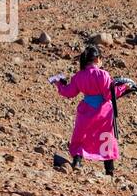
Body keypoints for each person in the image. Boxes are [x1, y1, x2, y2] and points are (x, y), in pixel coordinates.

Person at [50, 45, 130, 176]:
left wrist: (59, 84)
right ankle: (109, 171)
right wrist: (123, 88)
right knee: (106, 139)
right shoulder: (103, 74)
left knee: (81, 136)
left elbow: (69, 92)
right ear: (97, 59)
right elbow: (109, 95)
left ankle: (77, 162)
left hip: (86, 110)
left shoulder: (78, 76)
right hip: (103, 113)